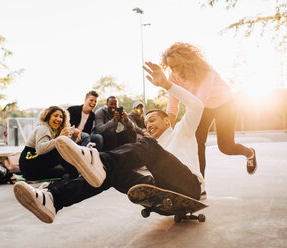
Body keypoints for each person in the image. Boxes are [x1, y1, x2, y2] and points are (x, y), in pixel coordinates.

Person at [13, 61, 205, 223]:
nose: (149, 125)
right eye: (146, 123)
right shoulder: (153, 147)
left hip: (188, 187)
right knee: (109, 174)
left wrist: (167, 85)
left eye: (153, 120)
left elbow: (197, 106)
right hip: (163, 196)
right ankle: (53, 200)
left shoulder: (183, 130)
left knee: (146, 146)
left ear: (167, 120)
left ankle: (99, 160)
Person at [162, 42, 257, 178]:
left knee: (226, 147)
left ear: (187, 61)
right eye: (171, 67)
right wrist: (168, 126)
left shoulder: (206, 71)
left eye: (177, 66)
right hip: (203, 107)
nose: (174, 70)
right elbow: (172, 106)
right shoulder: (172, 77)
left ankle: (250, 153)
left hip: (225, 105)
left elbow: (201, 99)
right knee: (196, 144)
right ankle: (200, 184)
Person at [18, 106, 80, 181]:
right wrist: (60, 138)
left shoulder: (55, 130)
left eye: (61, 117)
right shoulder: (43, 128)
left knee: (65, 172)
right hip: (29, 165)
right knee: (59, 150)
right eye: (55, 116)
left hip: (36, 171)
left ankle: (73, 179)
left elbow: (67, 147)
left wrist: (74, 136)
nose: (58, 119)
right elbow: (40, 150)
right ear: (48, 117)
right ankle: (76, 178)